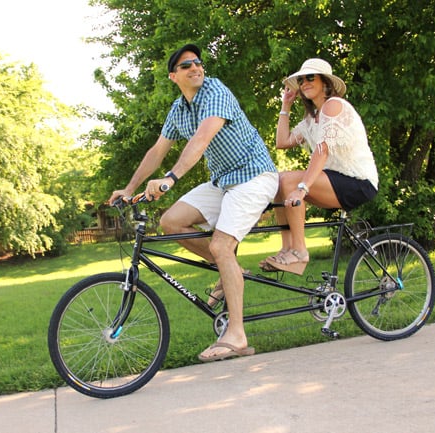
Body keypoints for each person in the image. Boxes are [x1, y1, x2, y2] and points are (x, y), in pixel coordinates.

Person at [108, 44, 279, 362]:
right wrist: (129, 188)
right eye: (187, 65)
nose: (196, 67)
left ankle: (237, 335)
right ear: (174, 76)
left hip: (254, 176)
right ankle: (231, 270)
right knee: (170, 222)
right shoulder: (178, 109)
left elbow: (201, 140)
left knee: (220, 246)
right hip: (223, 180)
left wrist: (170, 179)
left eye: (198, 62)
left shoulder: (216, 91)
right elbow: (158, 150)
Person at [259, 58, 378, 275]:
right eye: (301, 80)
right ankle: (287, 249)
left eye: (310, 77)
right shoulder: (311, 118)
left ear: (325, 82)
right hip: (333, 179)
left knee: (288, 180)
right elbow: (282, 142)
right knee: (279, 181)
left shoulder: (334, 106)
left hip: (358, 181)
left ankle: (300, 252)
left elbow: (322, 151)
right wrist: (285, 105)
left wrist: (302, 188)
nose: (304, 82)